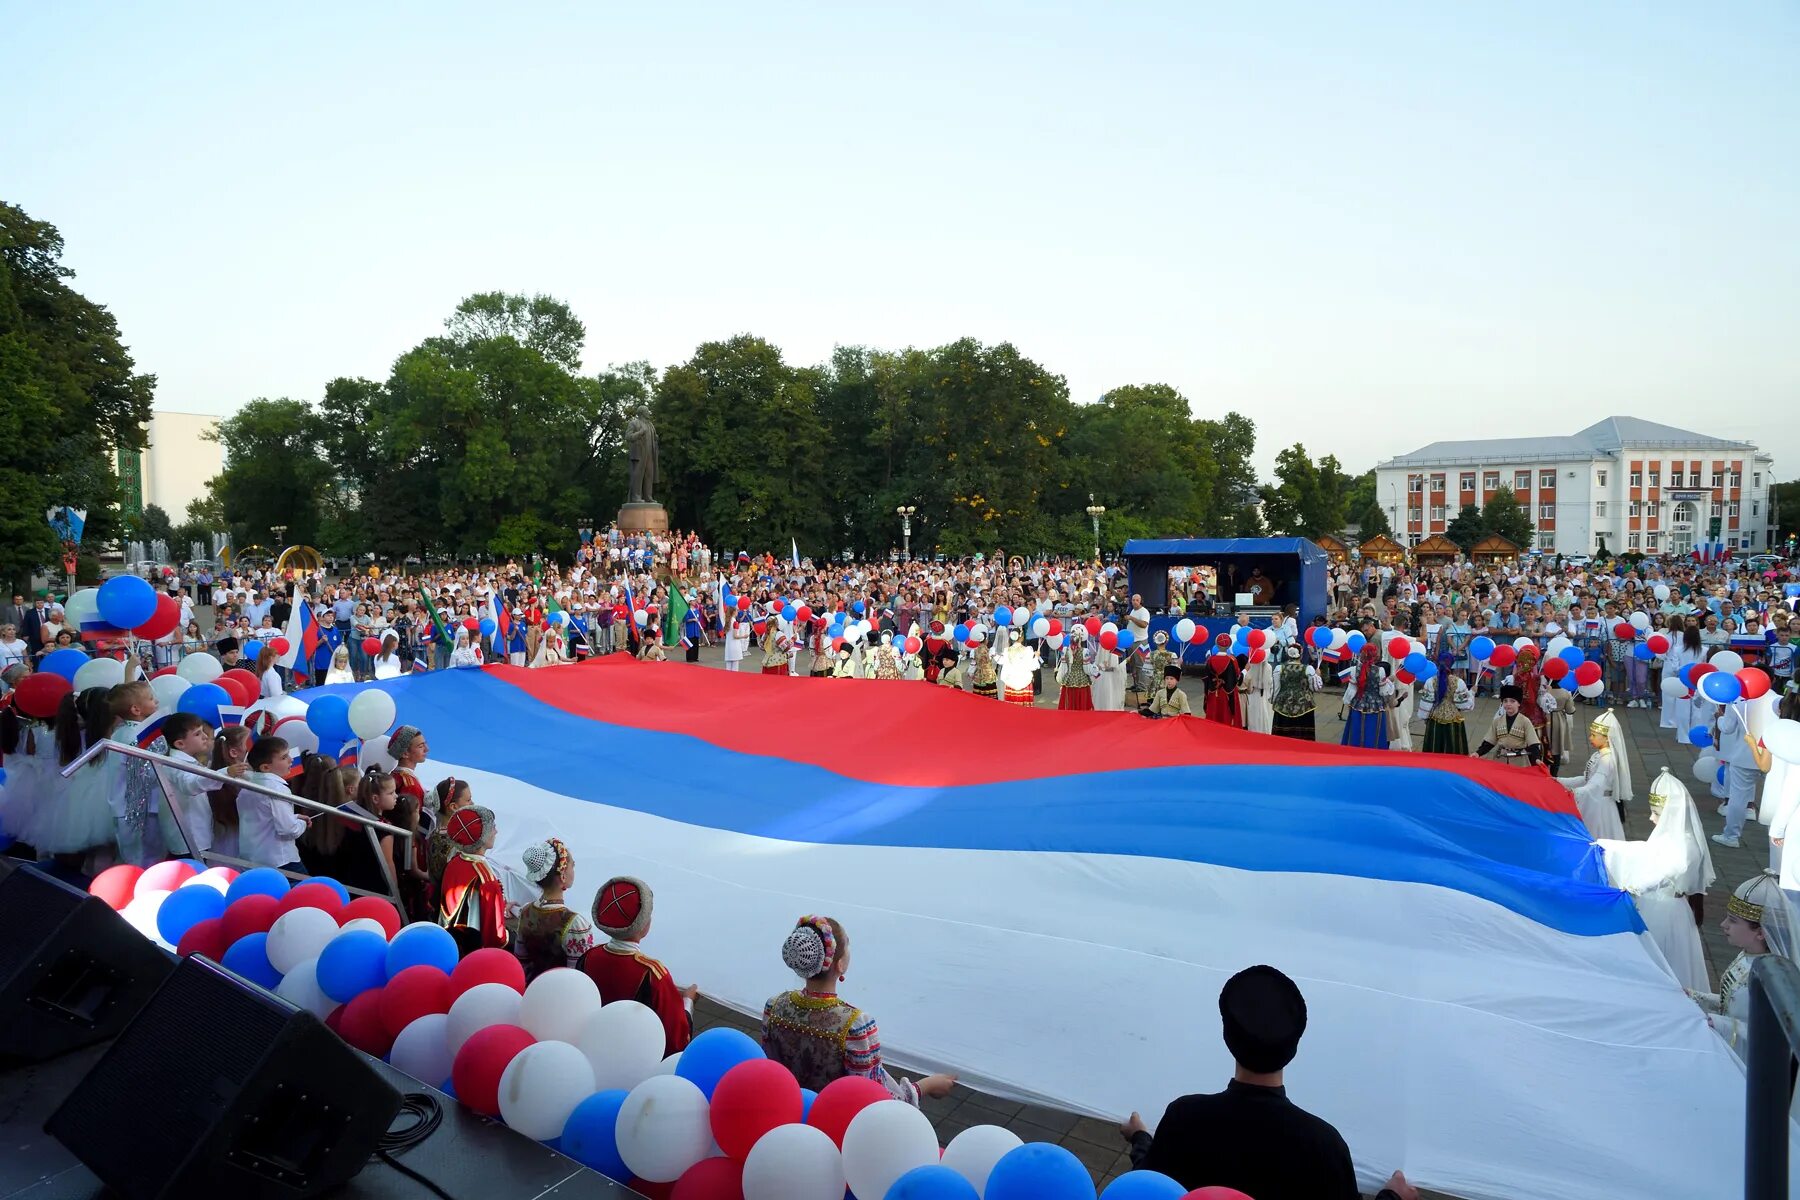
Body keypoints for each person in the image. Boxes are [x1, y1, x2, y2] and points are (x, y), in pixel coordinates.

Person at [1122, 965, 1417, 1200]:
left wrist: (1140, 1139)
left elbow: (1149, 1186)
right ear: (1294, 1046)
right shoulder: (1324, 1145)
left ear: (1227, 1037)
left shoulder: (1184, 1117)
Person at [760, 915, 956, 1105]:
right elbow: (875, 1100)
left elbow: (771, 1074)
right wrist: (926, 1086)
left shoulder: (774, 1006)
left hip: (788, 1114)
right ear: (840, 964)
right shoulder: (855, 1025)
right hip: (836, 1127)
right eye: (848, 945)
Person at [1596, 769, 1712, 993]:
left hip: (1667, 912)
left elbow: (1662, 873)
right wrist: (1604, 846)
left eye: (1656, 813)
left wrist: (1631, 886)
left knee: (1664, 961)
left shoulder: (1686, 848)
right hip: (1656, 906)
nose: (1651, 818)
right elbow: (1640, 851)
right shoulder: (1670, 839)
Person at [582, 875, 695, 1056]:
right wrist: (688, 1001)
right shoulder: (653, 974)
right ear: (644, 926)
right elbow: (677, 1039)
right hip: (636, 1058)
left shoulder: (589, 956)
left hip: (593, 1048)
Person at [1692, 870, 1796, 1059]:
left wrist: (1721, 1024)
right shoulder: (1746, 955)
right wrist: (1697, 997)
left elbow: (1770, 1034)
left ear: (1761, 932)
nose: (1723, 925)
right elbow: (1731, 1002)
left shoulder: (1770, 977)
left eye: (1733, 921)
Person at [514, 838, 596, 981]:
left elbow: (521, 960)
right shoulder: (574, 923)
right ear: (562, 874)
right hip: (561, 996)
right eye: (572, 865)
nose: (573, 869)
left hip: (530, 988)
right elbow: (578, 976)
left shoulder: (526, 911)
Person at [106, 681, 168, 866]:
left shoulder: (122, 732)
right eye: (150, 698)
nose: (156, 701)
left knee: (138, 854)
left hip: (132, 806)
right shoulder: (136, 735)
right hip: (140, 809)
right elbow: (144, 772)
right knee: (144, 857)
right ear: (136, 709)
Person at [437, 805, 510, 952]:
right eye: (492, 827)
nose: (496, 831)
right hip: (473, 952)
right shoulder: (485, 878)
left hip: (447, 943)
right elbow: (496, 937)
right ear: (481, 836)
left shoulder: (454, 862)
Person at [237, 736, 308, 870]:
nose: (291, 759)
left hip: (254, 858)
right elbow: (288, 829)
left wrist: (294, 818)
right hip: (281, 860)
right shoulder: (277, 788)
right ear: (265, 767)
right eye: (283, 757)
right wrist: (302, 824)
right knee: (306, 890)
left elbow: (264, 819)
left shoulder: (246, 786)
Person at [1558, 710, 1629, 841]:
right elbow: (1586, 779)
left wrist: (1575, 792)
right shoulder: (1599, 755)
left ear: (1607, 738)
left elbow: (1596, 783)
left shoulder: (1607, 760)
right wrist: (1560, 781)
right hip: (1596, 800)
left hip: (1601, 807)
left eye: (1594, 735)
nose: (1590, 738)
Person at [1714, 699, 1761, 849]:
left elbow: (1727, 728)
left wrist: (1719, 717)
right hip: (1772, 755)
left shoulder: (1737, 702)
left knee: (1738, 798)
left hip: (1745, 756)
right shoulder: (1777, 699)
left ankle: (1731, 836)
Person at [1421, 639, 1474, 755]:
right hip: (1453, 721)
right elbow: (1464, 705)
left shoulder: (1431, 681)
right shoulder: (1458, 682)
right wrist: (1472, 694)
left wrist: (1425, 718)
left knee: (1434, 751)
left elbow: (1426, 704)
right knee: (1454, 750)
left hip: (1435, 720)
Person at [1473, 685, 1543, 767]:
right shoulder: (1497, 721)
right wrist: (1478, 753)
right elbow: (1489, 742)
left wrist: (1537, 759)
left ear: (1519, 703)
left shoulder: (1525, 721)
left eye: (1512, 701)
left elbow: (1533, 744)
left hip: (1519, 761)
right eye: (1505, 701)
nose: (1508, 704)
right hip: (1500, 760)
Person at [1338, 643, 1391, 749]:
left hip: (1358, 703)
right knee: (1373, 729)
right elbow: (1383, 692)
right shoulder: (1380, 671)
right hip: (1375, 705)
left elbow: (1352, 690)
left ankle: (1355, 749)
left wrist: (1347, 701)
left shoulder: (1354, 670)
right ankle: (1373, 749)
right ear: (1375, 655)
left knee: (1356, 728)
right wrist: (1390, 686)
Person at [1269, 645, 1317, 740]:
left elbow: (1276, 689)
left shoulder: (1279, 669)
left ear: (1288, 655)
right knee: (1303, 736)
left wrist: (1273, 701)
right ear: (1301, 655)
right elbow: (1314, 687)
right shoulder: (1308, 669)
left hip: (1283, 705)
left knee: (1282, 736)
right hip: (1304, 705)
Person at [1056, 627, 1095, 710]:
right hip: (1082, 680)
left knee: (1069, 703)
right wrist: (1096, 669)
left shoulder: (1065, 650)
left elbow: (1063, 668)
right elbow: (1087, 669)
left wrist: (1059, 679)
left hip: (1068, 680)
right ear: (1080, 639)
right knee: (1081, 704)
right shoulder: (1085, 651)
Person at [1243, 649, 1274, 735]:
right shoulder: (1269, 667)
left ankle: (1253, 730)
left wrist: (1249, 688)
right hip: (1265, 694)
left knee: (1253, 712)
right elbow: (1269, 682)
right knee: (1265, 712)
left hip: (1253, 693)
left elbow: (1247, 679)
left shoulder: (1251, 666)